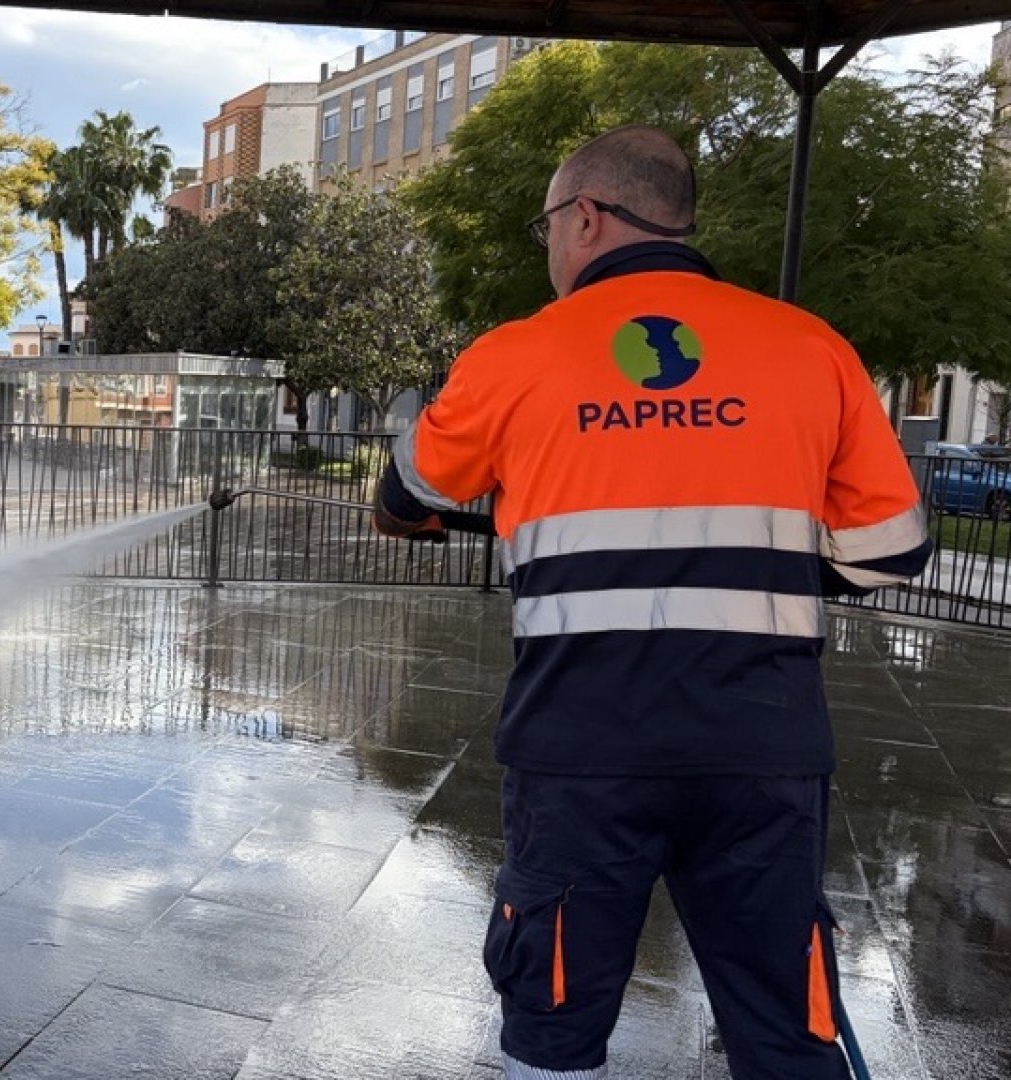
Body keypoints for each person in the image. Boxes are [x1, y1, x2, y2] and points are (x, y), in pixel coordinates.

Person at [373, 125, 931, 1080]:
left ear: (586, 217)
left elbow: (402, 500)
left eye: (546, 224)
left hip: (580, 748)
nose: (547, 245)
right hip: (762, 747)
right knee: (786, 1032)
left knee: (553, 1026)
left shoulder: (516, 355)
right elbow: (892, 547)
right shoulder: (810, 347)